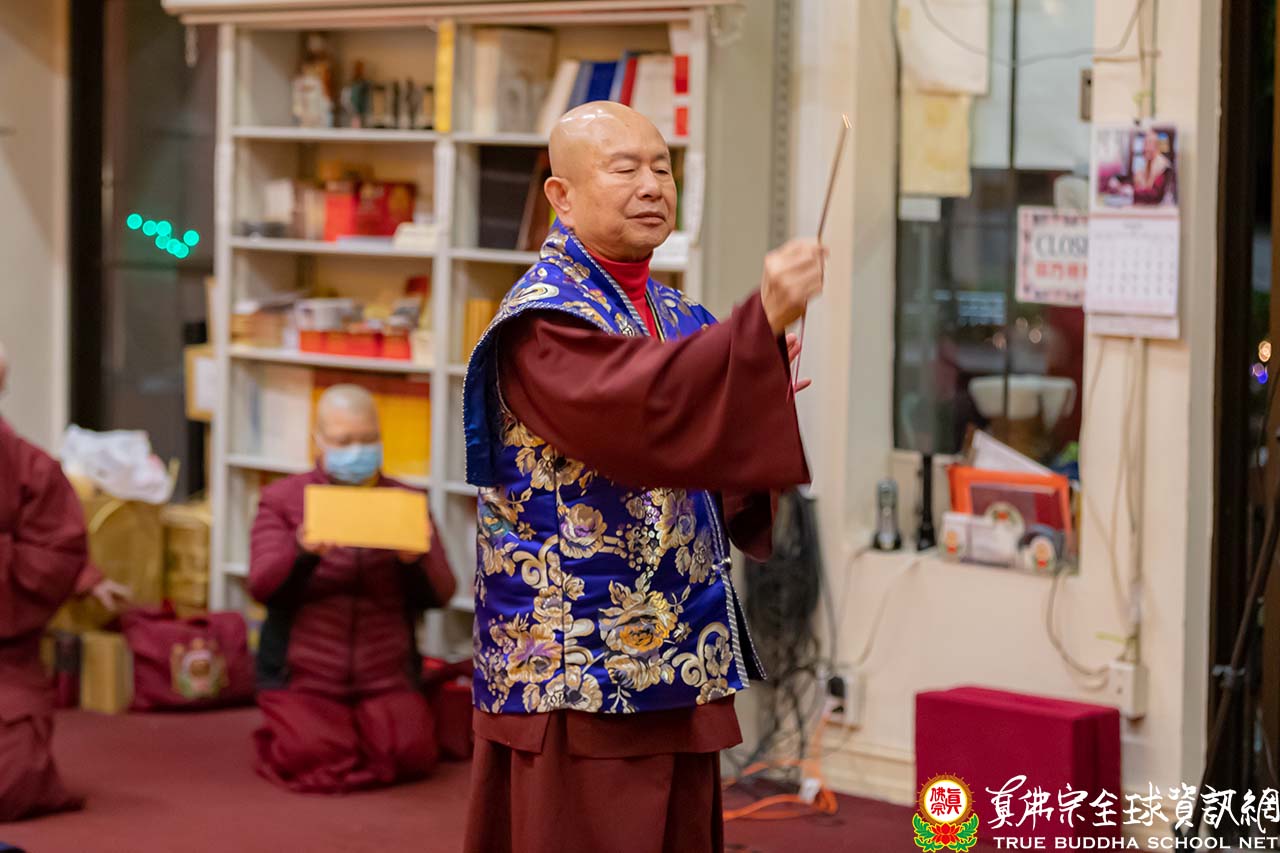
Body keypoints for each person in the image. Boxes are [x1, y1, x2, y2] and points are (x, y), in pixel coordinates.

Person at [460, 102, 823, 852]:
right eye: (625, 168)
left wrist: (751, 387)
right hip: (579, 662)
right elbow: (641, 413)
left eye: (663, 167)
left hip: (680, 645)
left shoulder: (678, 313)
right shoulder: (544, 320)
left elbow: (697, 431)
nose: (652, 185)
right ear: (561, 196)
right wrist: (753, 329)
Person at [248, 383, 457, 794]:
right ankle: (321, 732)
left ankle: (365, 729)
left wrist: (414, 561)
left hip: (385, 671)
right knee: (316, 757)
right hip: (305, 673)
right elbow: (261, 586)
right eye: (344, 441)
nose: (358, 451)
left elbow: (443, 593)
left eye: (368, 439)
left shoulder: (405, 499)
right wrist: (302, 552)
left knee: (409, 755)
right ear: (318, 440)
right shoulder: (283, 500)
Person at [0, 342, 129, 822]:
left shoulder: (30, 465)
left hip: (6, 655)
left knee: (11, 786)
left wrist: (85, 578)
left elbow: (55, 550)